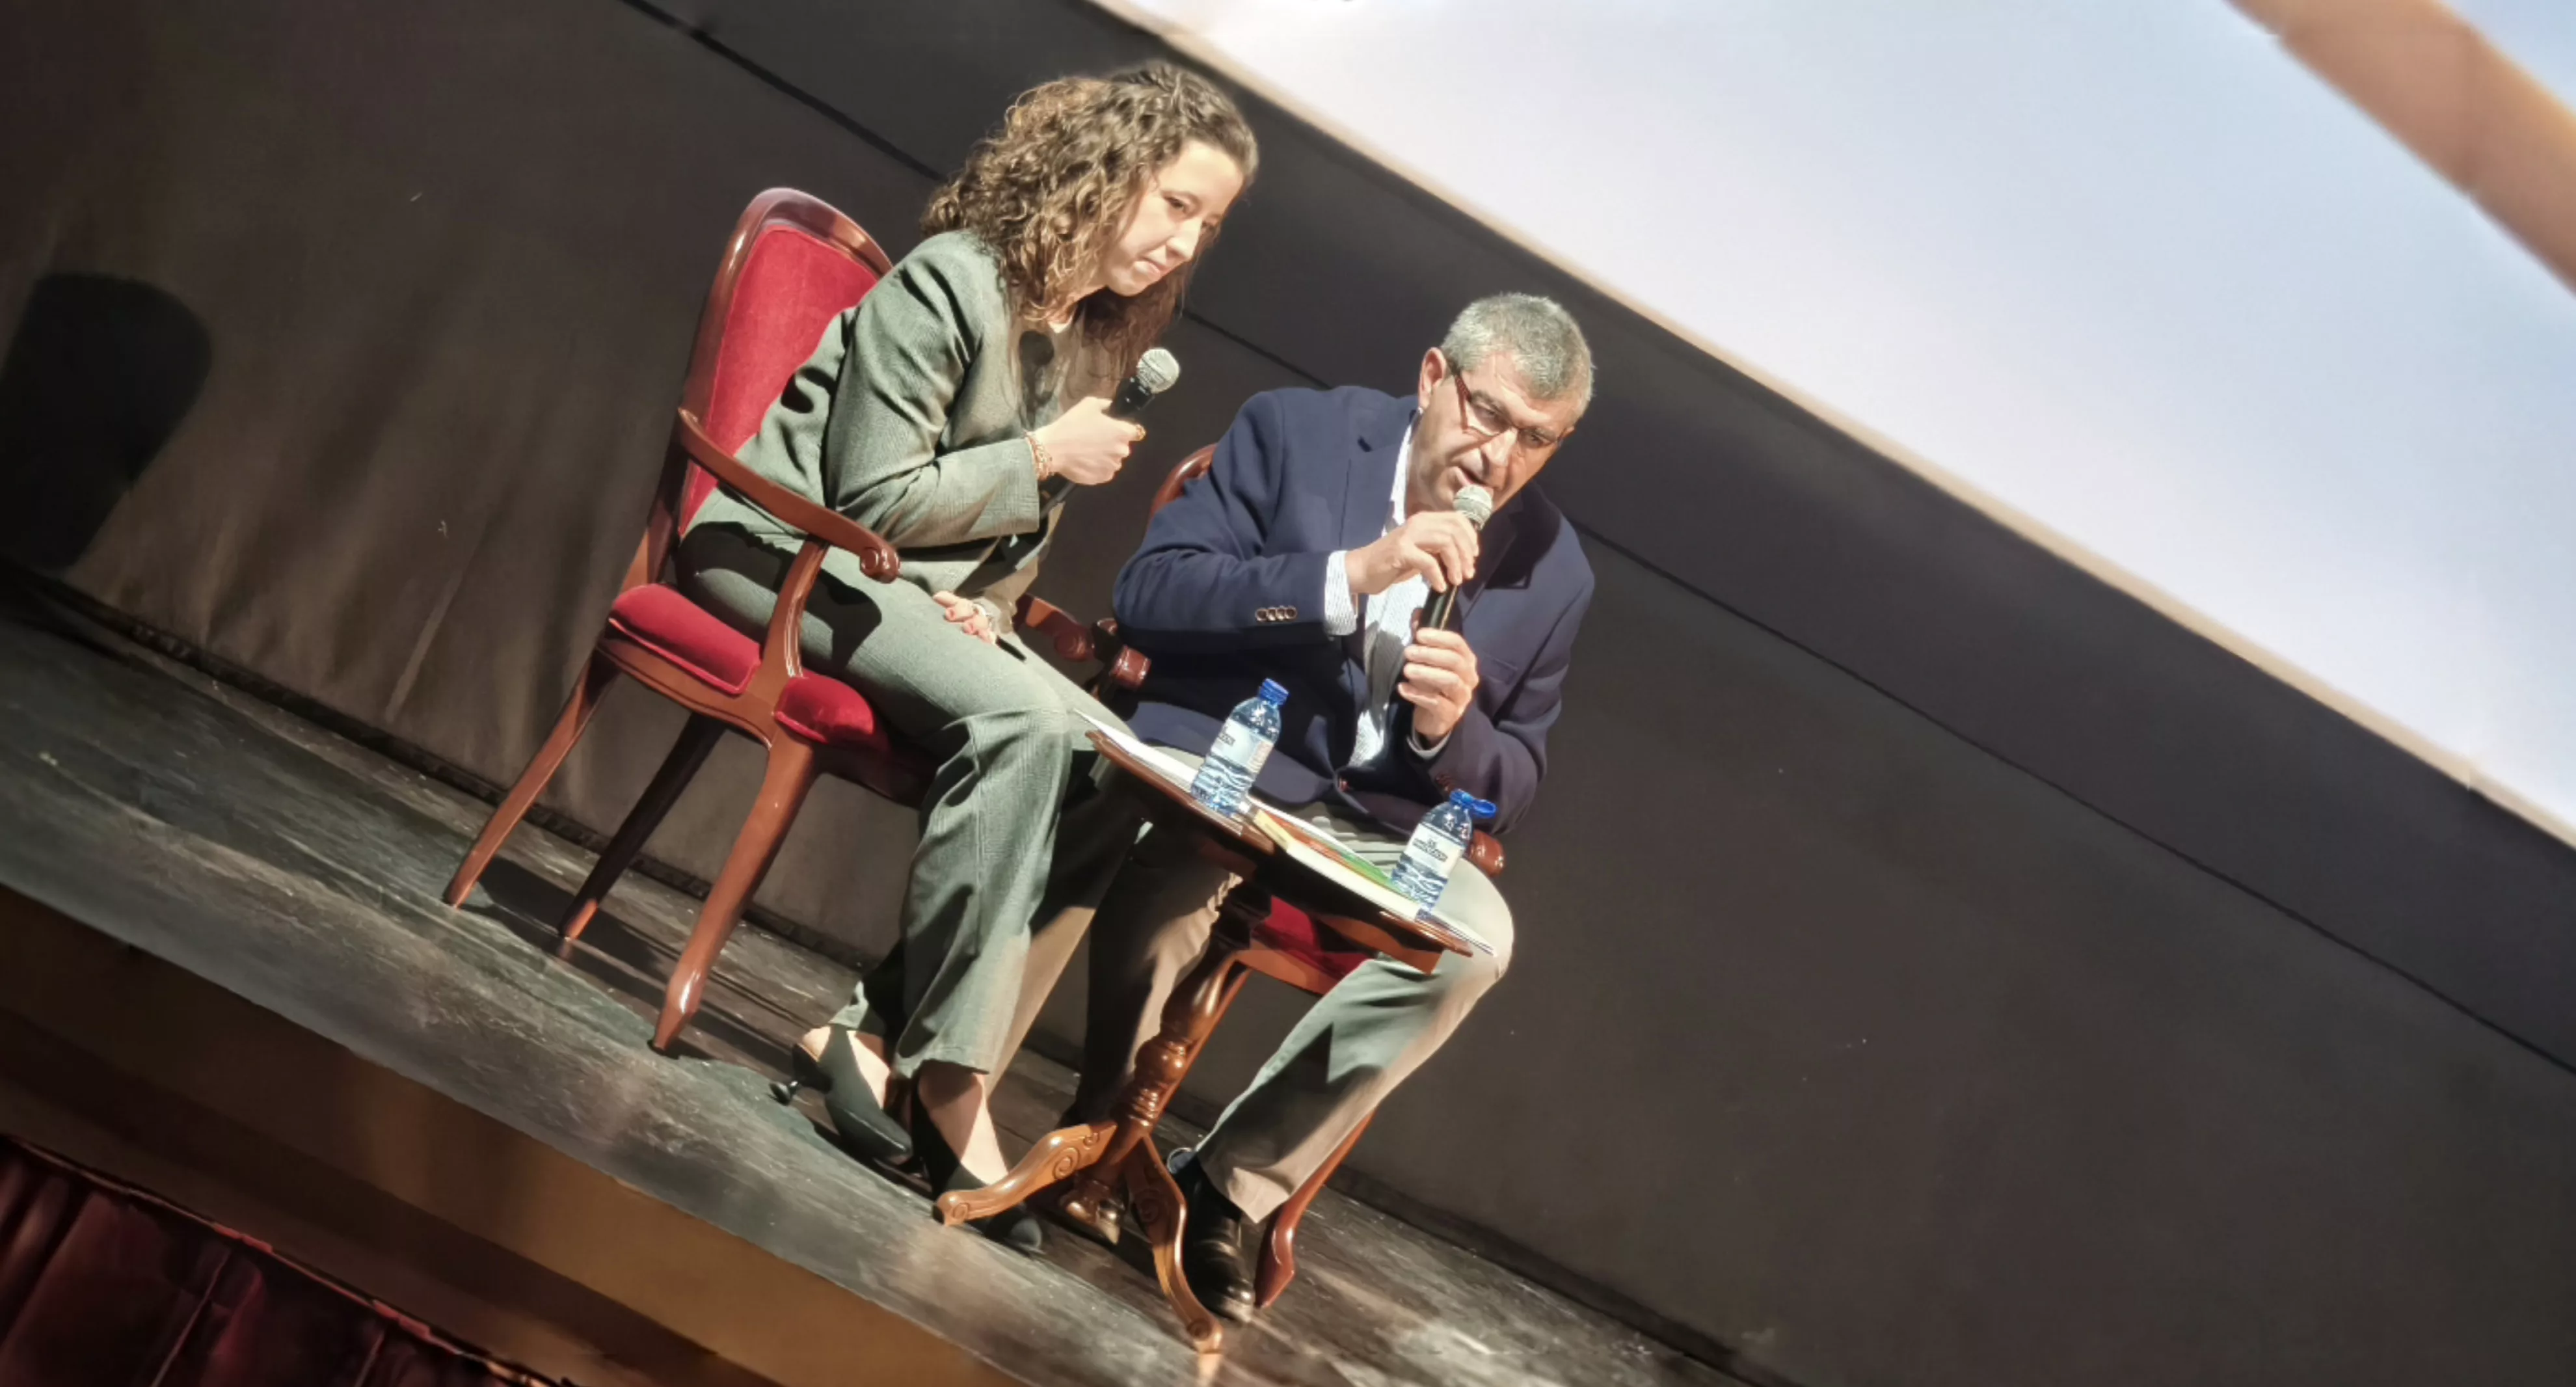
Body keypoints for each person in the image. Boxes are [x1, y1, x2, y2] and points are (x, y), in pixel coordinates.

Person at [677, 63, 1255, 1249]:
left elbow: (987, 551)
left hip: (894, 583)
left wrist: (985, 608)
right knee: (1030, 725)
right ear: (1106, 180)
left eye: (1210, 224)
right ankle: (955, 1081)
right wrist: (1045, 458)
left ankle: (875, 1033)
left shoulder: (1089, 340)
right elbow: (872, 498)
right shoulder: (949, 283)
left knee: (1116, 755)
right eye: (1175, 204)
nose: (1185, 242)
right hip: (779, 550)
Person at [1036, 293, 1596, 1313]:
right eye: (1488, 414)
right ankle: (1104, 1129)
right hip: (1241, 763)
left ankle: (1227, 1186)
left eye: (1539, 440)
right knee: (1186, 860)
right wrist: (1349, 576)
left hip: (1371, 823)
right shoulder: (1297, 430)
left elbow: (1514, 781)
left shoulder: (1554, 568)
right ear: (1434, 378)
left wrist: (1449, 730)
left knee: (1481, 945)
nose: (1501, 457)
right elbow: (1156, 589)